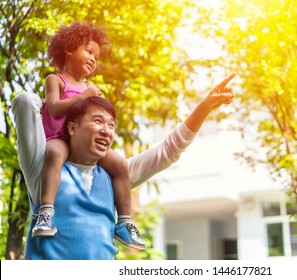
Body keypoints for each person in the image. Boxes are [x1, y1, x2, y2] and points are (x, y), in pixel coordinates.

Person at [11, 72, 236, 260]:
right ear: (72, 128)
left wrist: (205, 107)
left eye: (111, 125)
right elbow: (24, 102)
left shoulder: (114, 177)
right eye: (97, 121)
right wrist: (52, 107)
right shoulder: (43, 170)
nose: (106, 130)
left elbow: (168, 150)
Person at [33, 22, 145, 250]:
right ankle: (46, 212)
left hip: (84, 143)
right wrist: (84, 96)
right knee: (54, 154)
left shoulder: (90, 86)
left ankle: (124, 223)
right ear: (69, 49)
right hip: (60, 138)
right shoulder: (55, 80)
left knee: (121, 165)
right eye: (89, 51)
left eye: (97, 56)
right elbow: (54, 108)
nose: (94, 59)